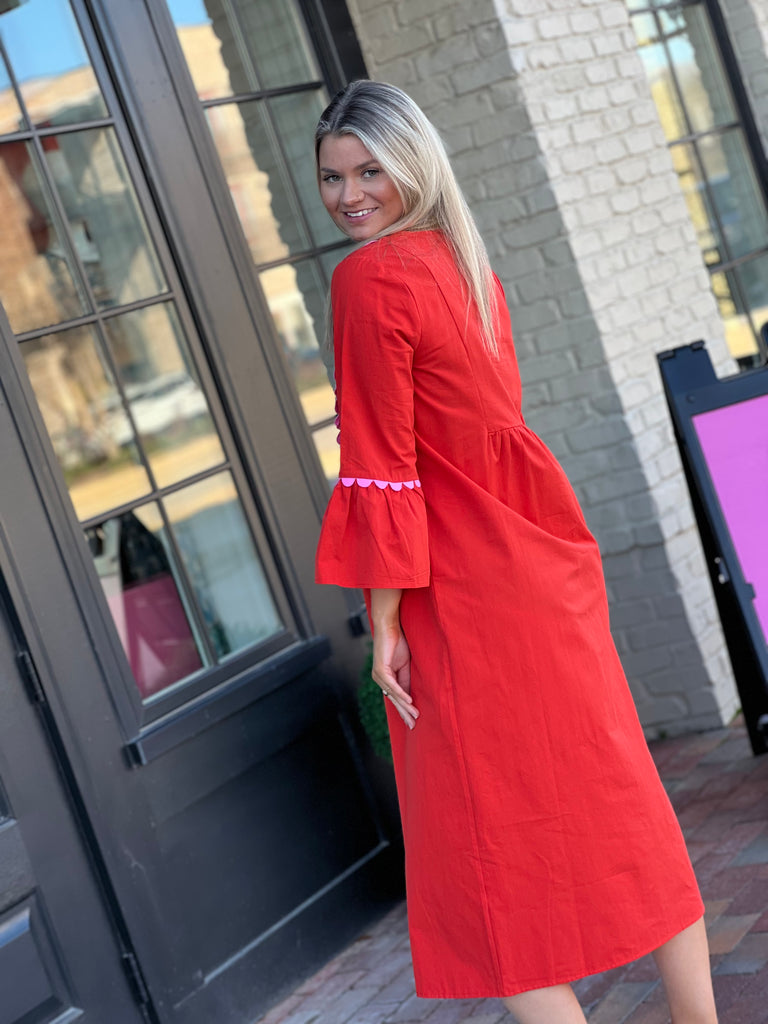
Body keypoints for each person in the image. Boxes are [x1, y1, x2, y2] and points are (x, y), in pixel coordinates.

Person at [313, 79, 718, 1024]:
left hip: (463, 589)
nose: (348, 193)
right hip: (541, 562)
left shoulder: (369, 278)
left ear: (413, 164)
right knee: (621, 802)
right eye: (332, 175)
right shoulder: (465, 264)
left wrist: (383, 623)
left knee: (482, 850)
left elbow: (380, 461)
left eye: (369, 169)